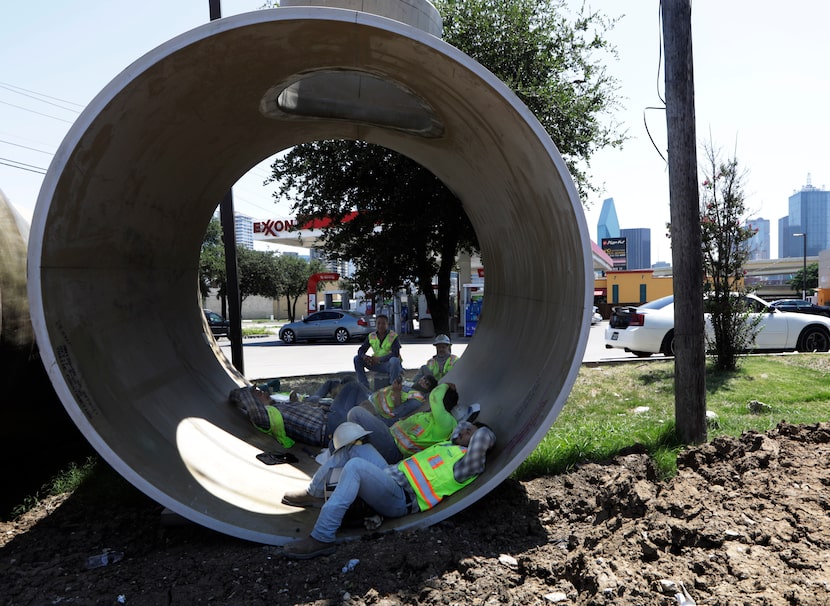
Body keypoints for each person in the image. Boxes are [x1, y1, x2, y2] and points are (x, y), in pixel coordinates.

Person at [281, 421, 496, 559]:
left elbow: (484, 437)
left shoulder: (467, 464)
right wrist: (463, 430)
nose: (465, 430)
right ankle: (313, 493)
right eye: (466, 428)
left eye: (470, 432)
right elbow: (460, 426)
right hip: (390, 476)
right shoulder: (446, 446)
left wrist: (481, 430)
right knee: (352, 448)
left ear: (476, 441)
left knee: (355, 467)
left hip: (402, 498)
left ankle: (322, 537)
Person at [229, 379, 371, 448]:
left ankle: (376, 415)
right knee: (353, 387)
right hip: (327, 427)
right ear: (254, 401)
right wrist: (247, 390)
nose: (264, 392)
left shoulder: (278, 406)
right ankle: (377, 411)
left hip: (330, 417)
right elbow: (238, 395)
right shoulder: (265, 416)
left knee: (348, 384)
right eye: (259, 394)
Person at [346, 382, 458, 463]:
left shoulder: (446, 423)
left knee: (356, 413)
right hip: (387, 436)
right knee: (344, 434)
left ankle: (356, 447)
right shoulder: (427, 415)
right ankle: (356, 447)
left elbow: (435, 397)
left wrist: (446, 385)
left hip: (395, 449)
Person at [353, 314, 402, 389]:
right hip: (375, 364)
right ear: (375, 324)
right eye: (378, 323)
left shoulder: (393, 336)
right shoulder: (371, 336)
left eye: (383, 323)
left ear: (387, 324)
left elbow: (395, 353)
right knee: (357, 359)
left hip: (388, 365)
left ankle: (392, 386)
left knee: (394, 361)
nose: (381, 326)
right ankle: (364, 387)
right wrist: (365, 357)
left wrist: (379, 359)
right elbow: (361, 350)